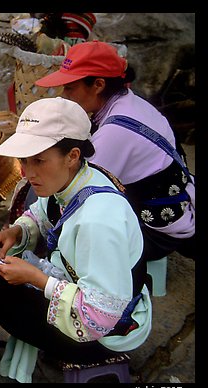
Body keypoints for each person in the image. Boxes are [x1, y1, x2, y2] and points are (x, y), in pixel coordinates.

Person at [0, 97, 151, 383]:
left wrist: (38, 279)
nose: (28, 173)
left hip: (99, 335)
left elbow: (100, 317)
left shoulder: (98, 220)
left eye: (38, 160)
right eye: (24, 161)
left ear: (72, 155)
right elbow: (42, 215)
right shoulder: (75, 179)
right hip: (74, 289)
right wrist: (15, 232)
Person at [34, 40, 195, 262]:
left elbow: (76, 189)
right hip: (176, 206)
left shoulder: (115, 132)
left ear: (98, 84)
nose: (63, 94)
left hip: (157, 233)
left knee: (45, 196)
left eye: (70, 87)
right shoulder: (129, 101)